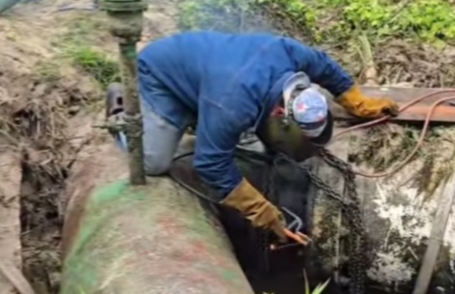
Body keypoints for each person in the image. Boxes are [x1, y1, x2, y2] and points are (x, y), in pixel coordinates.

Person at [106, 30, 398, 241]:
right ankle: (122, 107)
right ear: (281, 113)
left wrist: (359, 102)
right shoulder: (233, 106)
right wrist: (262, 212)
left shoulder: (289, 53)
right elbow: (210, 164)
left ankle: (196, 112)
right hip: (160, 77)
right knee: (153, 163)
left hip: (211, 79)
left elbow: (325, 66)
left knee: (244, 142)